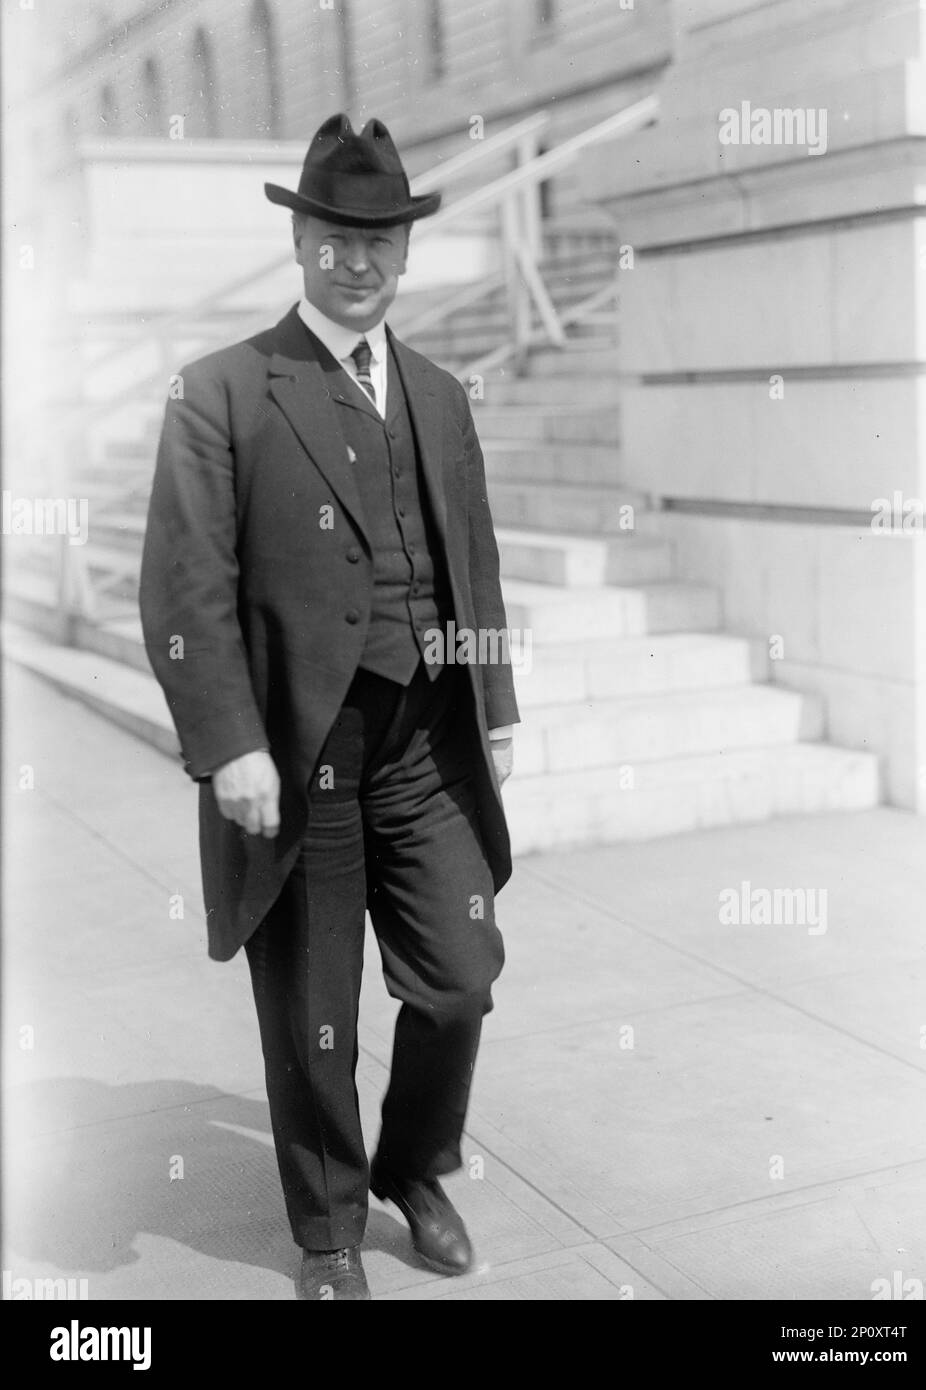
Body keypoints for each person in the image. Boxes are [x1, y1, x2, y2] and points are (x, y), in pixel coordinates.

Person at [138, 114, 519, 1301]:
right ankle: (329, 1230)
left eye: (379, 241)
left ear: (403, 255)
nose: (357, 261)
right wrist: (227, 742)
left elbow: (476, 556)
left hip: (425, 742)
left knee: (459, 974)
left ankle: (414, 1163)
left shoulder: (444, 396)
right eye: (333, 236)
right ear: (299, 240)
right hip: (299, 755)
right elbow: (182, 579)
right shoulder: (224, 392)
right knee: (315, 1011)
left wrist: (495, 701)